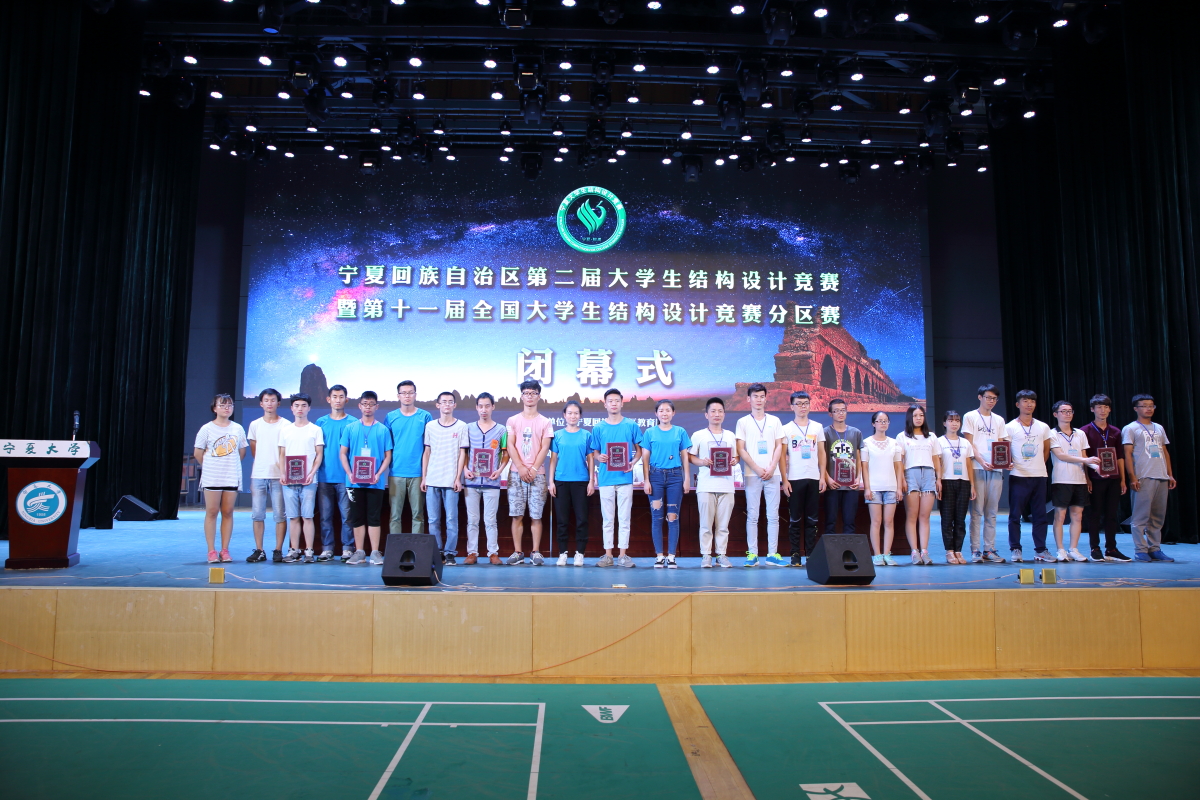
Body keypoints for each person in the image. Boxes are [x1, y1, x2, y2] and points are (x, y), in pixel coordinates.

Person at [589, 388, 643, 568]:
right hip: (606, 479)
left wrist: (633, 462)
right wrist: (600, 457)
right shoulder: (598, 428)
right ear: (605, 404)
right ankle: (608, 555)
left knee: (624, 518)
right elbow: (595, 452)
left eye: (616, 400)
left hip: (625, 478)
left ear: (622, 403)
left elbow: (639, 450)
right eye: (610, 401)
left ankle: (623, 555)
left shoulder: (631, 425)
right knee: (608, 519)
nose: (613, 403)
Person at [339, 391, 393, 565]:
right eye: (365, 404)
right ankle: (360, 552)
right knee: (357, 517)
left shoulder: (383, 430)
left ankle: (375, 553)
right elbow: (343, 453)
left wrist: (378, 474)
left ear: (376, 407)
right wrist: (349, 473)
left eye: (371, 404)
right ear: (359, 406)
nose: (368, 407)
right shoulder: (350, 428)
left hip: (375, 483)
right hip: (354, 482)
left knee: (374, 517)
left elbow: (387, 456)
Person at [735, 383, 785, 567]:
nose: (758, 399)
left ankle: (772, 554)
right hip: (751, 474)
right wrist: (756, 468)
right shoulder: (742, 422)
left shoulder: (775, 420)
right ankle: (753, 554)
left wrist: (772, 467)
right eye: (755, 396)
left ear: (766, 398)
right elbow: (741, 449)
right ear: (748, 399)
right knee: (752, 515)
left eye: (761, 396)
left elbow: (779, 446)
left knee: (773, 516)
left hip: (773, 473)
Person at [1122, 394, 1177, 562]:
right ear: (1136, 408)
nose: (1149, 408)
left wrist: (1169, 474)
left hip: (1161, 475)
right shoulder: (1131, 428)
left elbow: (1164, 451)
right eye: (1144, 405)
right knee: (1140, 517)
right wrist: (1132, 477)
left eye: (1151, 406)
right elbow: (1127, 454)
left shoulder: (1159, 428)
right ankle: (1140, 550)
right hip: (1143, 476)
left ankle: (1155, 548)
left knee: (1157, 517)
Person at [193, 393, 246, 563]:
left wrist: (228, 464)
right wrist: (211, 465)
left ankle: (225, 550)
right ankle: (211, 551)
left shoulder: (237, 428)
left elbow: (242, 452)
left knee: (228, 512)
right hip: (212, 477)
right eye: (222, 405)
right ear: (215, 408)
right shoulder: (206, 429)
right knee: (212, 512)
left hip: (231, 476)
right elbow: (198, 453)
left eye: (229, 405)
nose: (226, 408)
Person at [505, 380, 554, 565]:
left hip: (538, 474)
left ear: (539, 396)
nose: (530, 396)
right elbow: (510, 444)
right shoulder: (512, 420)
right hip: (516, 473)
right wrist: (521, 467)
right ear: (521, 396)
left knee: (536, 515)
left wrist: (532, 469)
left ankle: (535, 552)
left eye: (533, 393)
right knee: (516, 515)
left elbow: (545, 447)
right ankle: (518, 552)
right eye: (526, 393)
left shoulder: (545, 422)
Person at [641, 400, 692, 568]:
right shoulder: (650, 432)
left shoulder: (680, 431)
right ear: (656, 414)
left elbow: (685, 456)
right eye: (661, 410)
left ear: (673, 413)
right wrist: (646, 480)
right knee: (657, 517)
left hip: (675, 477)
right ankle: (659, 556)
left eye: (668, 410)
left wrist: (686, 478)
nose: (664, 413)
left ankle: (671, 556)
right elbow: (645, 458)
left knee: (672, 517)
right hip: (655, 476)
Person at [689, 397, 738, 568]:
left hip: (727, 485)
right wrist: (702, 462)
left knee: (723, 525)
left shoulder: (731, 435)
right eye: (713, 411)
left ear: (724, 414)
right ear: (706, 415)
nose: (717, 414)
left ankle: (721, 555)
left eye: (720, 411)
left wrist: (735, 461)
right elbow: (690, 457)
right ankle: (706, 555)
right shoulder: (698, 435)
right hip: (706, 485)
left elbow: (736, 456)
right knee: (706, 524)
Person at [1080, 394, 1130, 562]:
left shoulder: (1115, 431)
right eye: (1099, 407)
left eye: (1106, 407)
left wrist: (1122, 479)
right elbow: (1084, 457)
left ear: (1109, 409)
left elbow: (1120, 457)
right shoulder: (1085, 431)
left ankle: (1111, 548)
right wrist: (1087, 479)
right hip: (1095, 477)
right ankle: (1095, 548)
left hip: (1113, 478)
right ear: (1092, 409)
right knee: (1094, 514)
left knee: (1111, 514)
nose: (1103, 410)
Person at [1004, 390, 1053, 562]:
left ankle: (1041, 550)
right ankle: (1015, 549)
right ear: (1018, 404)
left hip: (1039, 476)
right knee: (1015, 515)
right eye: (1025, 401)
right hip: (1018, 476)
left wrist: (1037, 465)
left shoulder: (1043, 427)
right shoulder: (1009, 427)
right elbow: (1005, 451)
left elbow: (1046, 450)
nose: (1029, 404)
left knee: (1040, 515)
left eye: (1032, 401)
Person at [780, 391, 827, 567]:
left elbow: (821, 453)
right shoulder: (786, 429)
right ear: (791, 406)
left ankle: (811, 554)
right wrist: (785, 480)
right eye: (798, 404)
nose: (802, 407)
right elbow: (782, 456)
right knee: (795, 519)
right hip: (794, 478)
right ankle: (795, 554)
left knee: (812, 519)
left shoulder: (817, 427)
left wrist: (822, 476)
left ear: (810, 405)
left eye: (805, 403)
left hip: (813, 478)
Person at [421, 392, 469, 566]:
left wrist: (458, 478)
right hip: (432, 480)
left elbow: (463, 453)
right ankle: (437, 552)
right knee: (433, 520)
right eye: (444, 402)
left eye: (450, 402)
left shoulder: (462, 426)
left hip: (450, 481)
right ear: (438, 405)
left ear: (454, 405)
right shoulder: (430, 426)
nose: (447, 405)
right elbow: (427, 452)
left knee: (451, 519)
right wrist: (424, 477)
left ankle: (450, 553)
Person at [1048, 400, 1099, 563]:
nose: (1067, 414)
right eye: (1063, 411)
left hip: (1080, 480)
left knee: (1077, 516)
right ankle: (1060, 550)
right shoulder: (1052, 434)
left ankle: (1073, 549)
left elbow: (1084, 457)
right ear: (1055, 414)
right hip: (1061, 480)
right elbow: (1061, 455)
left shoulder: (1080, 433)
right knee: (1060, 516)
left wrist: (1095, 468)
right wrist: (1086, 460)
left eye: (1070, 411)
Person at [962, 384, 1008, 563]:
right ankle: (975, 550)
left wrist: (1005, 461)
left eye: (994, 399)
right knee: (976, 511)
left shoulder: (999, 420)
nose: (991, 401)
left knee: (992, 512)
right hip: (977, 468)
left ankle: (989, 549)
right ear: (980, 397)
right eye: (988, 397)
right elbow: (969, 443)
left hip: (996, 469)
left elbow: (1002, 444)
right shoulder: (970, 416)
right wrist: (981, 461)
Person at [278, 393, 324, 563]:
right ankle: (294, 550)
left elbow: (319, 454)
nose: (300, 409)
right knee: (293, 517)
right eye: (296, 405)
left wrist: (312, 473)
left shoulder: (315, 429)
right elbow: (282, 454)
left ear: (309, 408)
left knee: (308, 516)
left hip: (309, 481)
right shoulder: (285, 430)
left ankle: (309, 551)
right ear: (291, 408)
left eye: (304, 405)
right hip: (289, 481)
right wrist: (283, 473)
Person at [463, 392, 507, 565]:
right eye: (480, 406)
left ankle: (493, 553)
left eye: (487, 406)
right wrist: (465, 469)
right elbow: (464, 452)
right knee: (472, 520)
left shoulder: (501, 430)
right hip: (471, 482)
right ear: (476, 408)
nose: (484, 409)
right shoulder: (468, 428)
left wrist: (499, 470)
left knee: (490, 520)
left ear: (493, 407)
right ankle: (472, 553)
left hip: (492, 482)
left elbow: (505, 454)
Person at [548, 400, 594, 567]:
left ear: (580, 416)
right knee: (562, 520)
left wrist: (591, 481)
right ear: (564, 415)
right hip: (561, 481)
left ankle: (580, 553)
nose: (573, 416)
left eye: (576, 413)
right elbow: (553, 460)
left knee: (582, 519)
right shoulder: (558, 435)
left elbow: (590, 459)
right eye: (570, 413)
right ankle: (563, 553)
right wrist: (551, 481)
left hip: (581, 482)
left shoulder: (586, 435)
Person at [247, 388, 290, 563]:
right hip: (258, 475)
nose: (269, 403)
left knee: (280, 514)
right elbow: (254, 450)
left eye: (273, 400)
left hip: (279, 475)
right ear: (261, 403)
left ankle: (278, 550)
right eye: (266, 400)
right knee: (257, 514)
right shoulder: (255, 425)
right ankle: (259, 550)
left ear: (278, 403)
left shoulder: (286, 425)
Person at [315, 385, 356, 562]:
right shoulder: (320, 423)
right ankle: (327, 549)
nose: (338, 400)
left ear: (346, 399)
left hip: (346, 478)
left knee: (347, 517)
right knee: (325, 517)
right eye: (334, 396)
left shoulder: (353, 423)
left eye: (341, 397)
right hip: (324, 477)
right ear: (328, 399)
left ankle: (348, 548)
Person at [385, 380, 432, 537]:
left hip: (418, 474)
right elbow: (387, 446)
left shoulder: (425, 416)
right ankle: (395, 548)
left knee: (418, 515)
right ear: (398, 396)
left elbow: (429, 447)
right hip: (396, 472)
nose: (407, 396)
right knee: (394, 516)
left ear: (415, 395)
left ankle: (417, 549)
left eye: (410, 392)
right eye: (404, 393)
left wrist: (425, 475)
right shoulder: (390, 417)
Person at [897, 405, 942, 565]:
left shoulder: (931, 436)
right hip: (911, 474)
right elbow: (900, 461)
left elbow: (936, 459)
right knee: (912, 515)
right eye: (915, 415)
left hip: (929, 474)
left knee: (925, 516)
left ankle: (924, 551)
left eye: (921, 415)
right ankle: (914, 551)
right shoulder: (902, 436)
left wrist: (938, 479)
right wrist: (902, 479)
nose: (918, 418)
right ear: (910, 417)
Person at [862, 411, 903, 566]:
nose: (883, 423)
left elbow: (898, 467)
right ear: (873, 424)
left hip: (891, 487)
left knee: (889, 521)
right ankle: (877, 555)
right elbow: (864, 467)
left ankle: (887, 554)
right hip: (874, 488)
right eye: (879, 421)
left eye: (885, 421)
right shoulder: (866, 443)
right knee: (876, 521)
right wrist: (867, 488)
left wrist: (899, 488)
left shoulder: (894, 443)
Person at [937, 411, 975, 564]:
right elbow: (938, 465)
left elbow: (969, 465)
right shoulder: (939, 442)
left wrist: (972, 485)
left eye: (957, 421)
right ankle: (949, 551)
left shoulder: (965, 443)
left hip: (963, 482)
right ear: (944, 423)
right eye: (951, 420)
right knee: (947, 519)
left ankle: (958, 550)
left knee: (960, 519)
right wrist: (938, 482)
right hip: (947, 481)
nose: (954, 423)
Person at [822, 398, 863, 537]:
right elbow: (820, 458)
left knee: (850, 522)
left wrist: (858, 478)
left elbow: (858, 457)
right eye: (836, 411)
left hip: (851, 485)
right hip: (832, 484)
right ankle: (829, 550)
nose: (840, 413)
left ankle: (849, 550)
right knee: (830, 522)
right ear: (830, 414)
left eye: (843, 410)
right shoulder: (824, 433)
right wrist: (827, 478)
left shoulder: (856, 432)